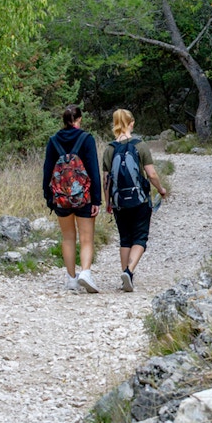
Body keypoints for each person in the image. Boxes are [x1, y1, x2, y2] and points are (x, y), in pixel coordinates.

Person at [103, 108, 166, 292]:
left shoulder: (109, 149)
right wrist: (160, 189)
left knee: (125, 238)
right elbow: (151, 173)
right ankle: (129, 272)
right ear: (131, 123)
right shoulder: (141, 145)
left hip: (119, 202)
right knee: (140, 237)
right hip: (139, 200)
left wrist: (108, 202)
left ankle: (125, 275)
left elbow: (106, 180)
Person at [43, 104, 102, 293]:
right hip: (84, 197)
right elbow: (93, 170)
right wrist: (97, 199)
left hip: (60, 198)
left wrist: (49, 196)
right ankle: (85, 272)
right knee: (86, 238)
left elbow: (47, 171)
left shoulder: (53, 141)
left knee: (68, 238)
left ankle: (71, 278)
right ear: (79, 119)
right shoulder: (86, 139)